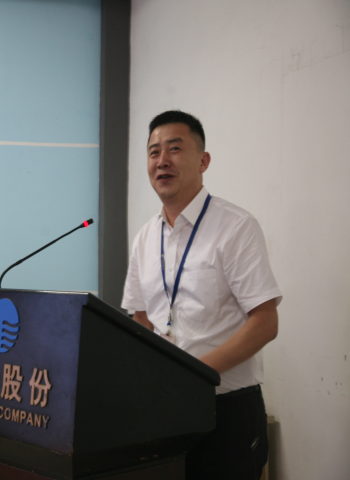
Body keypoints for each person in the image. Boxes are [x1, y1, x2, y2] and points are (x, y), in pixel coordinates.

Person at [122, 110, 282, 480]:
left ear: (203, 160)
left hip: (227, 411)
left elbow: (265, 323)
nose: (162, 160)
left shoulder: (235, 227)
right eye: (154, 152)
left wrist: (194, 374)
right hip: (164, 408)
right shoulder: (145, 237)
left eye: (175, 149)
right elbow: (141, 318)